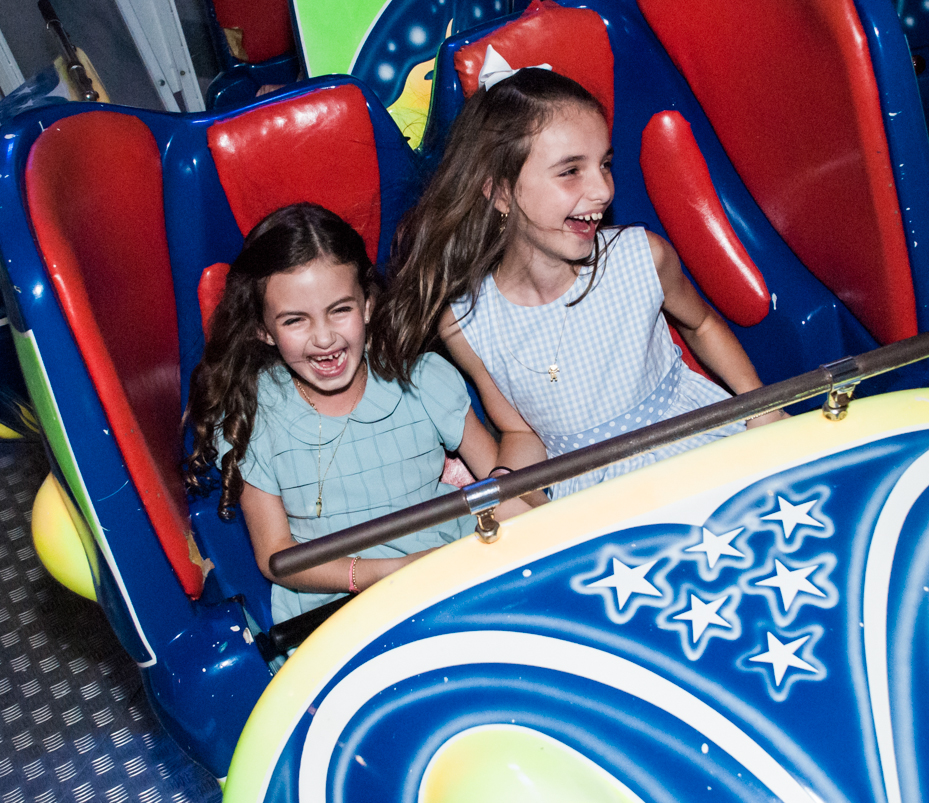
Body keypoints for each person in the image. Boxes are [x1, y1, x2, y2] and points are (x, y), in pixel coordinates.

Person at [371, 55, 782, 498]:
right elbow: (522, 434)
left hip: (692, 441)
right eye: (571, 171)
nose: (603, 190)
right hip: (591, 489)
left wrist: (759, 402)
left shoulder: (641, 256)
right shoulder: (466, 322)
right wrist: (509, 487)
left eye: (604, 164)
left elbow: (700, 323)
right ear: (502, 191)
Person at [184, 202, 508, 624]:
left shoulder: (422, 377)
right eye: (295, 320)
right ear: (262, 330)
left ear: (368, 305)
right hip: (337, 607)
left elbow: (503, 489)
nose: (323, 338)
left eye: (340, 310)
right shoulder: (253, 413)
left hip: (453, 577)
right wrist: (383, 574)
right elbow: (277, 557)